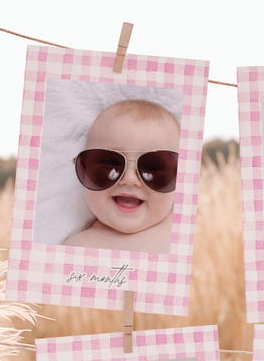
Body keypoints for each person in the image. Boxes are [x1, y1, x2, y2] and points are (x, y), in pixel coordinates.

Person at [64, 99, 180, 252]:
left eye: (152, 168)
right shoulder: (79, 247)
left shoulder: (190, 227)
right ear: (84, 169)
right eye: (110, 164)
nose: (130, 179)